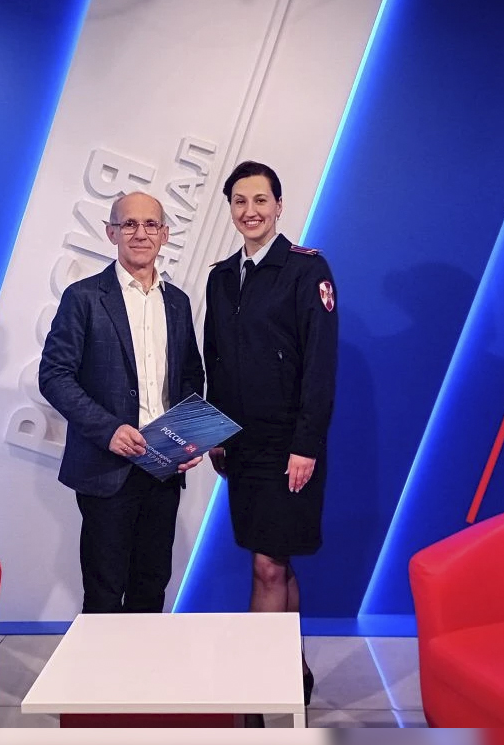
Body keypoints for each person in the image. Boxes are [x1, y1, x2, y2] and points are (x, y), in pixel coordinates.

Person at [203, 161, 339, 711]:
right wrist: (213, 433)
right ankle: (293, 668)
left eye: (260, 200)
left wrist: (306, 444)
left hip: (289, 448)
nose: (250, 211)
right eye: (240, 201)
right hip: (240, 446)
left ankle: (258, 685)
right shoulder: (220, 276)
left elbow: (320, 365)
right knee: (274, 561)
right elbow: (215, 360)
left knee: (268, 564)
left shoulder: (307, 269)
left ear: (279, 206)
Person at [39, 191, 205, 614]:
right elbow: (54, 376)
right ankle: (100, 663)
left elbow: (191, 376)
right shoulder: (83, 297)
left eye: (150, 224)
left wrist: (189, 439)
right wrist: (108, 429)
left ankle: (143, 661)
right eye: (129, 224)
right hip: (106, 466)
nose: (140, 233)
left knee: (152, 586)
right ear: (111, 232)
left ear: (165, 234)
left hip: (163, 465)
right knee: (104, 593)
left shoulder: (178, 302)